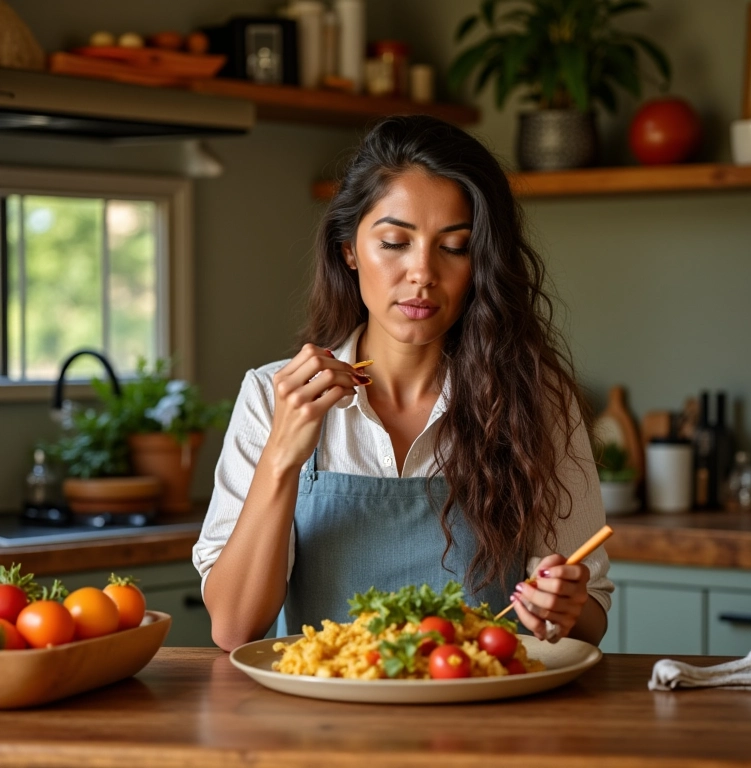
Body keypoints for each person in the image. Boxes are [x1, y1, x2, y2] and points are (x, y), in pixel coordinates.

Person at [193, 115, 613, 652]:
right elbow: (232, 630)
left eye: (455, 247)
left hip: (482, 718)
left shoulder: (538, 401)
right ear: (349, 249)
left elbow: (589, 617)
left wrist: (563, 609)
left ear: (480, 262)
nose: (422, 273)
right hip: (323, 724)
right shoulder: (271, 395)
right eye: (395, 242)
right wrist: (282, 456)